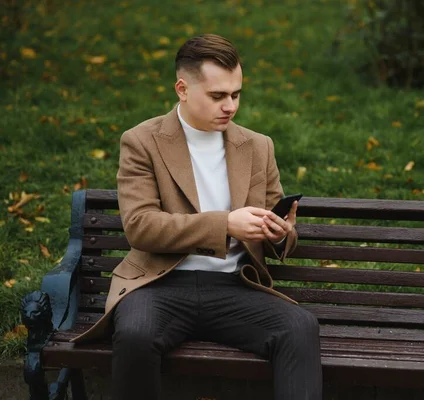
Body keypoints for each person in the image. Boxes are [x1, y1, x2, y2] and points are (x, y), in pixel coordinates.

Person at [70, 34, 322, 400]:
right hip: (159, 285)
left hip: (235, 287)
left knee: (299, 327)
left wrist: (279, 232)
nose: (230, 106)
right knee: (136, 334)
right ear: (182, 89)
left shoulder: (258, 146)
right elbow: (141, 226)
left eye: (236, 94)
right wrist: (226, 224)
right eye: (218, 96)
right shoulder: (142, 141)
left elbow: (280, 228)